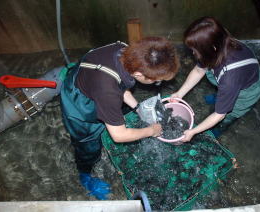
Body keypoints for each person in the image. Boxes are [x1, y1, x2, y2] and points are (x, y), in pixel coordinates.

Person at [60, 37, 179, 199]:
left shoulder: (125, 50)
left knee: (113, 114)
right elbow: (119, 135)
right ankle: (85, 175)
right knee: (87, 145)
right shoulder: (107, 90)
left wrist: (137, 108)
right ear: (138, 74)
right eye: (157, 81)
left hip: (91, 79)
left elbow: (119, 85)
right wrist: (152, 130)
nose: (158, 83)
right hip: (79, 103)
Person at [171, 16, 260, 142]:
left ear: (212, 48)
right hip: (237, 76)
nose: (193, 53)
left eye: (194, 50)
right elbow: (199, 70)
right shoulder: (218, 43)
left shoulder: (229, 79)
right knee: (224, 94)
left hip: (247, 91)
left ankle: (217, 130)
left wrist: (193, 131)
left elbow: (219, 115)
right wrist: (179, 94)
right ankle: (221, 99)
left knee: (226, 116)